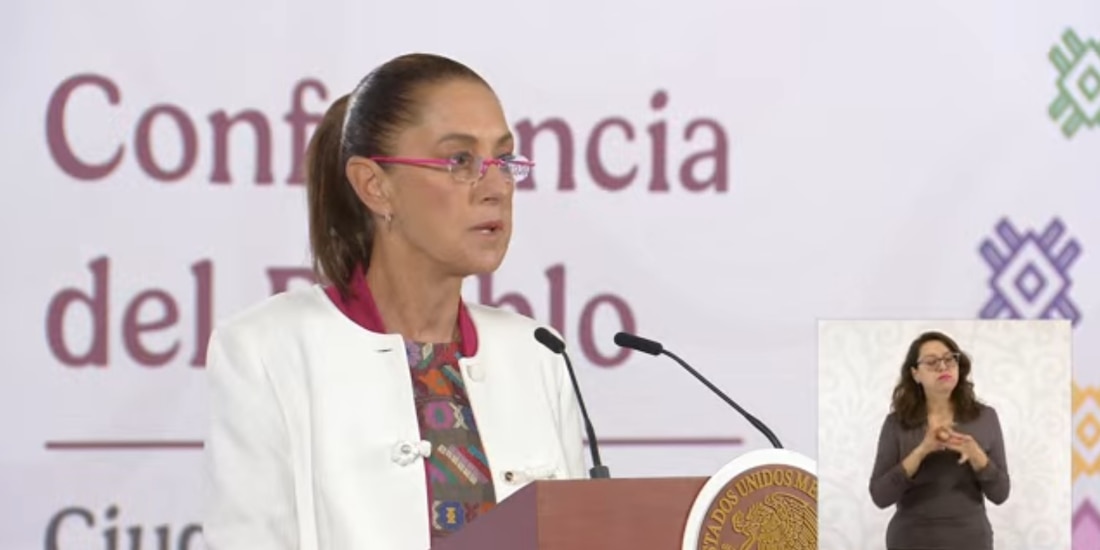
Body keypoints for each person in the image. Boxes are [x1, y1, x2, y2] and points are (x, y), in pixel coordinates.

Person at [201, 53, 587, 550]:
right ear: (375, 186)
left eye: (504, 159)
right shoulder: (265, 350)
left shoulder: (538, 352)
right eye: (460, 161)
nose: (496, 188)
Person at [868, 330, 1010, 550]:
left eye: (949, 359)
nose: (943, 367)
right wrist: (921, 451)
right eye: (931, 362)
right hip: (911, 540)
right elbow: (880, 496)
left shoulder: (985, 417)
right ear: (915, 374)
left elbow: (1000, 494)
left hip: (971, 540)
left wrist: (977, 455)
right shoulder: (896, 423)